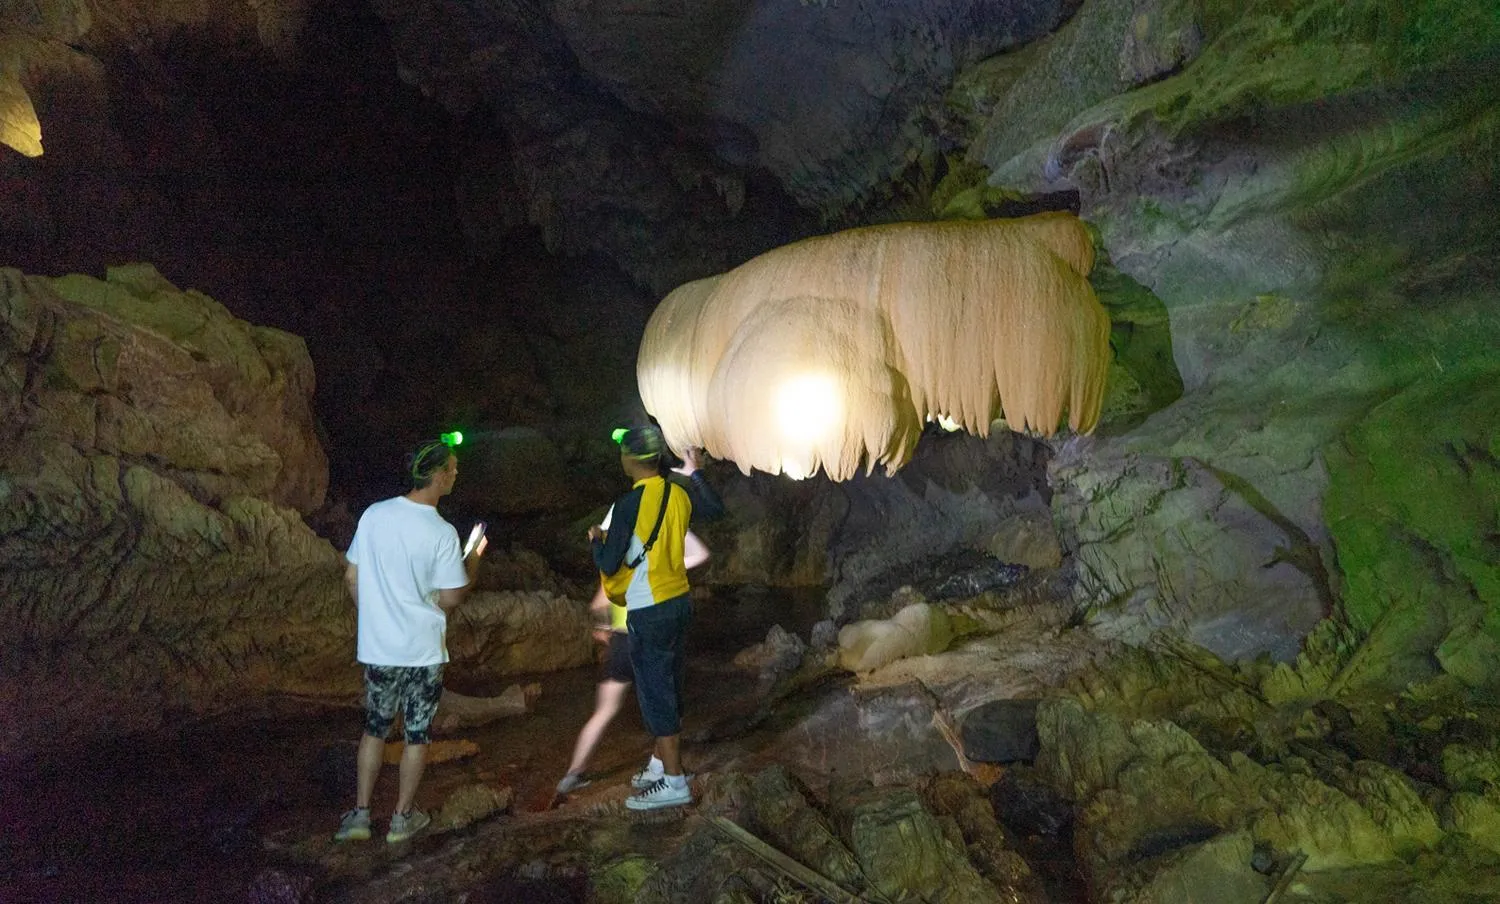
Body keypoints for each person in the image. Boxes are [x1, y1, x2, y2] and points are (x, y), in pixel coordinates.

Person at [334, 438, 487, 843]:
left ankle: (360, 816)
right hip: (422, 650)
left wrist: (375, 617)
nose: (456, 473)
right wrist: (473, 559)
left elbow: (351, 576)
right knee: (417, 734)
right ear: (438, 476)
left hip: (380, 648)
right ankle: (401, 820)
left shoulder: (374, 515)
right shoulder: (441, 532)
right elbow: (452, 597)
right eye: (452, 468)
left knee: (375, 729)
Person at [588, 426, 723, 810]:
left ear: (630, 459)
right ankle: (661, 764)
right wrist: (695, 473)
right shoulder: (677, 493)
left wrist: (596, 540)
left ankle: (674, 783)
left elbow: (609, 562)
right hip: (679, 602)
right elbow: (715, 509)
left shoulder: (629, 505)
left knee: (655, 692)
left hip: (648, 609)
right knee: (670, 684)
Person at [555, 529, 709, 797]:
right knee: (668, 710)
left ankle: (572, 775)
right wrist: (679, 527)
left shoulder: (615, 567)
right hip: (647, 642)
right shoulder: (659, 568)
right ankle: (661, 769)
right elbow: (700, 555)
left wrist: (604, 627)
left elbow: (597, 605)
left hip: (620, 645)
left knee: (602, 713)